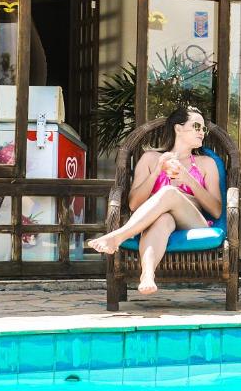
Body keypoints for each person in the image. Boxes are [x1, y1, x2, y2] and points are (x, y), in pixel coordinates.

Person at [88, 105, 223, 295]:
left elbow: (216, 210)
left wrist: (187, 179)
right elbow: (134, 203)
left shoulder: (206, 163)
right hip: (158, 221)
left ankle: (119, 235)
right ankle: (148, 275)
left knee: (168, 192)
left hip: (193, 221)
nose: (202, 132)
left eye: (203, 129)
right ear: (178, 128)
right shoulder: (151, 158)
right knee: (163, 220)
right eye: (196, 126)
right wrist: (157, 171)